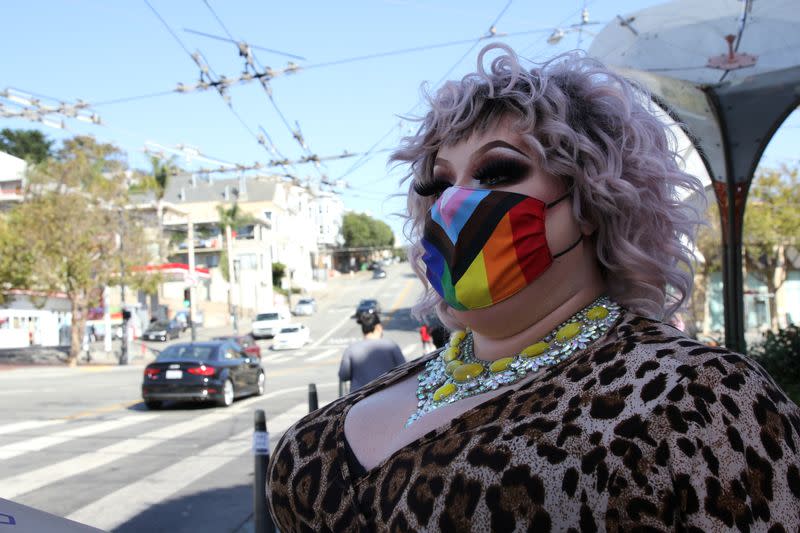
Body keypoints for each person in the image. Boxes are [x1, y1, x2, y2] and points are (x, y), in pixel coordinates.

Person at [267, 44, 800, 531]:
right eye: (437, 185)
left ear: (591, 201)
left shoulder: (698, 398)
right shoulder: (350, 420)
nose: (452, 205)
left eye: (497, 172)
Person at [338, 312, 405, 391]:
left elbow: (343, 375)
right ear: (378, 327)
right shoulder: (391, 345)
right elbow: (403, 369)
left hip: (360, 399)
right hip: (388, 395)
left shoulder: (351, 349)